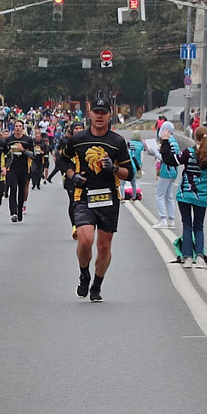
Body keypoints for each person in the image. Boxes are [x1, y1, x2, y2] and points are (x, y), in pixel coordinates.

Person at [62, 98, 133, 302]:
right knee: (85, 240)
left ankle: (97, 285)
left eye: (104, 112)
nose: (100, 116)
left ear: (110, 116)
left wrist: (115, 168)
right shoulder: (78, 139)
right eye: (96, 112)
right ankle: (84, 274)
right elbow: (63, 158)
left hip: (108, 198)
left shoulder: (117, 142)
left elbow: (130, 173)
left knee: (104, 246)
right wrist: (71, 175)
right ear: (90, 115)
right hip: (84, 196)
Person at [161, 126, 207, 268]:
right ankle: (199, 257)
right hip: (202, 197)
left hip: (185, 194)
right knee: (198, 227)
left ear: (195, 138)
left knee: (187, 225)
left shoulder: (189, 152)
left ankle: (187, 258)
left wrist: (165, 141)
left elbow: (169, 159)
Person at [4, 119, 34, 222]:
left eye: (19, 126)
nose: (17, 128)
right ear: (13, 128)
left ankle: (20, 210)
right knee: (13, 188)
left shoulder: (28, 140)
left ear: (22, 128)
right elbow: (5, 154)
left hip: (24, 168)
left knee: (22, 191)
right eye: (16, 126)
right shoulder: (8, 140)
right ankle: (13, 212)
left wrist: (23, 150)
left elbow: (33, 155)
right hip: (12, 168)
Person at [152, 121, 179, 229]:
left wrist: (155, 152)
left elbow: (165, 157)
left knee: (159, 195)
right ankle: (171, 220)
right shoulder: (175, 142)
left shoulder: (167, 142)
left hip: (165, 171)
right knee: (169, 197)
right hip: (174, 172)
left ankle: (163, 219)